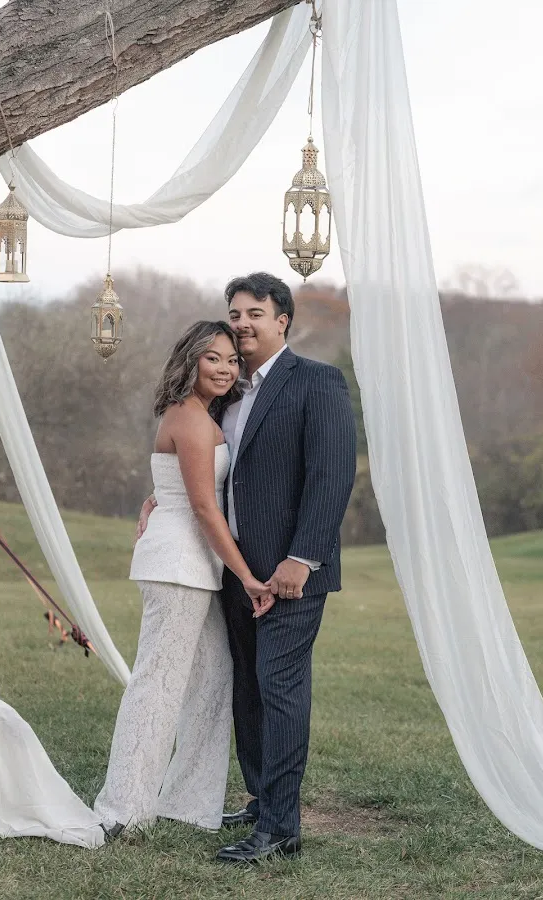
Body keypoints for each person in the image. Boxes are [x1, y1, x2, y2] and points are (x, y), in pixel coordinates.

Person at [139, 273, 357, 862]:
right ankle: (263, 801)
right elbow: (210, 472)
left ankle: (281, 829)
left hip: (290, 575)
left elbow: (331, 478)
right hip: (235, 573)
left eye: (254, 313)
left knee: (279, 687)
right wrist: (160, 496)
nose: (241, 323)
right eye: (234, 313)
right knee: (249, 691)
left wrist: (301, 559)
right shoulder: (227, 393)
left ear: (282, 320)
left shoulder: (316, 382)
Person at [94, 321, 274, 838]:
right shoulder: (190, 418)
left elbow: (185, 487)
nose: (225, 369)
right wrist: (248, 576)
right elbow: (202, 508)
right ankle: (123, 809)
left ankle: (189, 802)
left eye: (232, 361)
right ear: (190, 360)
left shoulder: (200, 414)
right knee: (157, 685)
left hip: (195, 567)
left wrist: (156, 496)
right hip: (178, 568)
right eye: (213, 358)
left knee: (214, 679)